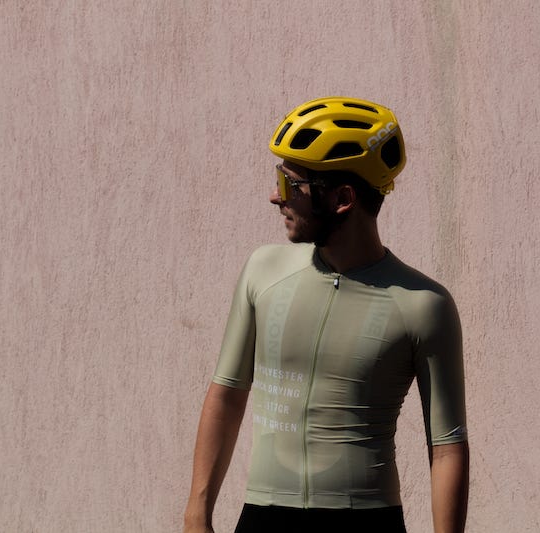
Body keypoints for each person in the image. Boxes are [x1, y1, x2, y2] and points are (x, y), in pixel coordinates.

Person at [183, 97, 469, 533]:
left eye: (290, 183)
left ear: (342, 198)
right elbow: (227, 394)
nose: (276, 196)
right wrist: (196, 515)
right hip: (263, 519)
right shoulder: (263, 270)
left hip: (366, 521)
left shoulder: (424, 304)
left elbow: (447, 447)